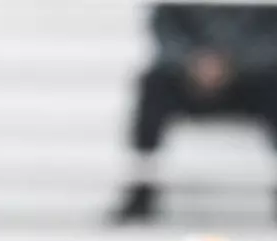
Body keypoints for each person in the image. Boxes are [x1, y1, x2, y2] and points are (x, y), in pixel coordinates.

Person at [114, 3, 277, 222]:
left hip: (250, 77)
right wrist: (193, 62)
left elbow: (270, 38)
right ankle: (142, 188)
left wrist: (231, 63)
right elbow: (164, 29)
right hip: (187, 77)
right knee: (153, 86)